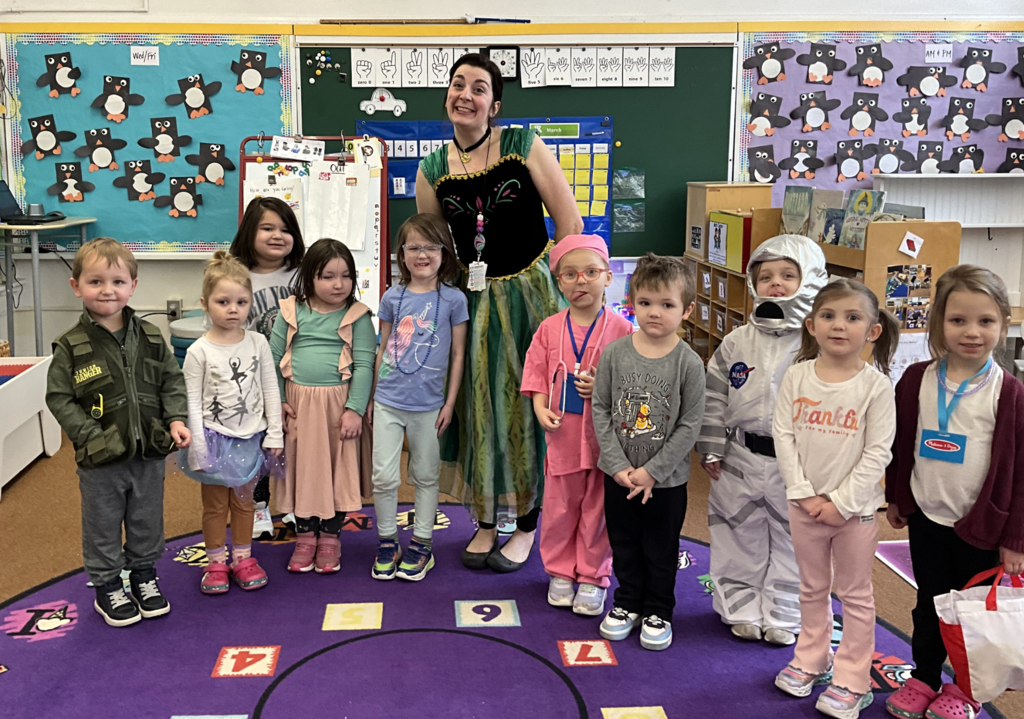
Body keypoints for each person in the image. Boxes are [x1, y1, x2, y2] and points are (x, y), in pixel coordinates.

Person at [416, 53, 582, 571]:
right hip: (473, 302)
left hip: (532, 298)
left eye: (479, 88)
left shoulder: (522, 145)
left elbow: (569, 223)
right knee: (479, 407)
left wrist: (562, 290)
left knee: (529, 405)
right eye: (457, 84)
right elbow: (435, 248)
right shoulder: (432, 168)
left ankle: (528, 523)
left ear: (495, 104)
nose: (465, 95)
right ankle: (488, 520)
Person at [884, 265, 1024, 719]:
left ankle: (966, 690)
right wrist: (898, 497)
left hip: (983, 526)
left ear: (1004, 324)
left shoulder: (1010, 393)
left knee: (972, 613)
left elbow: (1021, 474)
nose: (971, 332)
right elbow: (900, 444)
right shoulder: (916, 379)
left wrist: (1016, 539)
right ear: (938, 322)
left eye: (985, 321)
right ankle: (925, 677)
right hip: (928, 515)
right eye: (958, 320)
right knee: (929, 604)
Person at [45, 238, 191, 627]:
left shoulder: (152, 337)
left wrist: (176, 420)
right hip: (100, 461)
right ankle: (107, 585)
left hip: (149, 453)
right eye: (95, 282)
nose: (107, 290)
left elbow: (172, 383)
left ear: (133, 286)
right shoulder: (70, 346)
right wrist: (89, 435)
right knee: (103, 524)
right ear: (76, 286)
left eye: (117, 281)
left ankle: (144, 576)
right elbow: (59, 398)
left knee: (147, 520)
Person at [772, 279, 899, 719]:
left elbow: (878, 452)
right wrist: (804, 494)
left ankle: (853, 679)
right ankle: (812, 659)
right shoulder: (797, 375)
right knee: (811, 587)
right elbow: (783, 436)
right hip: (803, 506)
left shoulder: (876, 386)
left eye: (852, 317)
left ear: (872, 331)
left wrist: (841, 503)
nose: (839, 326)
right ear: (811, 325)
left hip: (854, 513)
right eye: (828, 316)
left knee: (855, 595)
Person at [697, 235, 827, 646]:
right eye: (766, 276)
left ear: (810, 280)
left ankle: (784, 614)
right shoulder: (738, 341)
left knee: (795, 540)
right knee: (737, 531)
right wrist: (711, 445)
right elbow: (715, 395)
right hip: (740, 455)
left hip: (798, 464)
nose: (776, 284)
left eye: (788, 275)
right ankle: (740, 606)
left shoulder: (819, 345)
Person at [591, 254, 705, 651]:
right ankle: (627, 602)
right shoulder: (614, 354)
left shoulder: (689, 363)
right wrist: (617, 465)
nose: (655, 312)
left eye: (667, 304)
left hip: (666, 482)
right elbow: (601, 409)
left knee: (660, 547)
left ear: (687, 310)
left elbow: (690, 424)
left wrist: (653, 471)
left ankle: (658, 610)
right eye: (645, 303)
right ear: (632, 302)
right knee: (623, 542)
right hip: (619, 475)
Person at [521, 235, 633, 615]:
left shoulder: (623, 330)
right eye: (570, 274)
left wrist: (604, 386)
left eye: (590, 272)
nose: (580, 281)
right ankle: (560, 571)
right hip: (563, 435)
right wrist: (539, 406)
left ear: (607, 277)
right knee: (560, 507)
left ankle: (592, 576)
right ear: (559, 281)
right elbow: (537, 374)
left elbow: (634, 384)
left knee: (598, 509)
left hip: (606, 441)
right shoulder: (549, 328)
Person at [370, 214, 468, 582]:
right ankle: (387, 541)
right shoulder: (392, 296)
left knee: (426, 475)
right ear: (401, 253)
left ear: (445, 252)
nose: (422, 255)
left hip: (429, 406)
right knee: (383, 476)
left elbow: (458, 354)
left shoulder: (454, 299)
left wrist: (449, 403)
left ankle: (422, 543)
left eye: (430, 247)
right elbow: (383, 347)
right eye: (413, 247)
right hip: (387, 401)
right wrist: (372, 397)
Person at [179, 251, 284, 595]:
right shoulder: (198, 351)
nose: (233, 309)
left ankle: (243, 558)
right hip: (213, 439)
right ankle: (215, 562)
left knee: (244, 502)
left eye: (241, 302)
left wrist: (274, 433)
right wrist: (198, 447)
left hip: (249, 438)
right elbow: (192, 402)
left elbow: (270, 389)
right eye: (223, 302)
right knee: (214, 505)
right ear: (205, 303)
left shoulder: (258, 343)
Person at [271, 238, 375, 574]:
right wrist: (279, 401)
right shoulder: (290, 311)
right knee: (302, 469)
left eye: (346, 276)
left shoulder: (357, 315)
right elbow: (272, 360)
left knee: (337, 472)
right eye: (328, 276)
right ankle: (304, 537)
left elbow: (365, 365)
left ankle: (330, 538)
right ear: (309, 277)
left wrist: (355, 409)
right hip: (299, 406)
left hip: (338, 408)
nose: (338, 284)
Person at [230, 196, 305, 540]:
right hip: (250, 378)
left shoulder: (303, 274)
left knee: (296, 441)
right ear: (249, 232)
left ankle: (294, 505)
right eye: (267, 228)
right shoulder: (235, 275)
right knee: (258, 444)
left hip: (298, 375)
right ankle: (259, 507)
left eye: (285, 229)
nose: (277, 235)